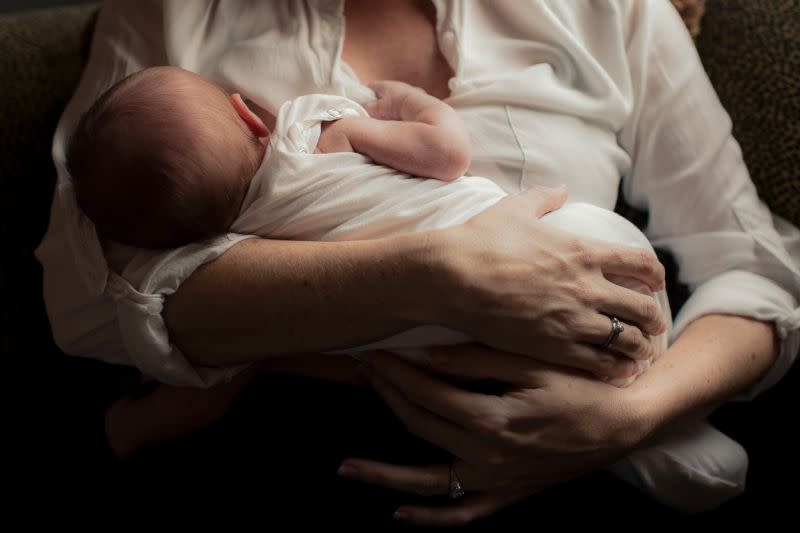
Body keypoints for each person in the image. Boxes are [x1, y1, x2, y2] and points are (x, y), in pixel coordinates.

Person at [35, 0, 799, 527]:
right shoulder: (172, 16)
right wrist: (436, 271)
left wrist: (625, 419)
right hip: (275, 446)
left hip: (565, 437)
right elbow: (83, 300)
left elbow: (758, 266)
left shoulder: (609, 12)